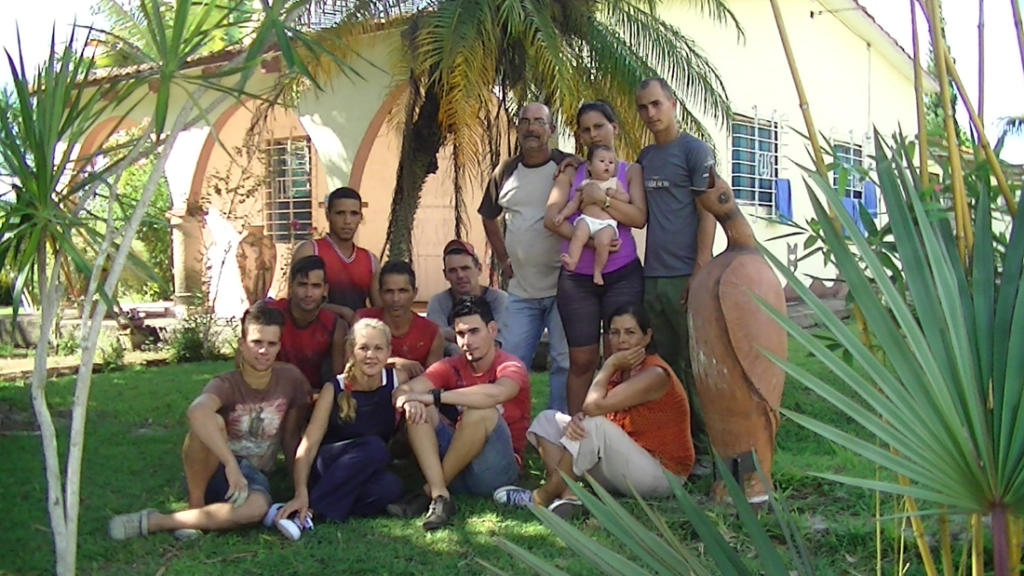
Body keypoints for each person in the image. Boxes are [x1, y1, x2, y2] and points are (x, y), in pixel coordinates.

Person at [107, 302, 310, 540]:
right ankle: (196, 505)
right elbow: (196, 412)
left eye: (271, 344)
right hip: (214, 469)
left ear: (279, 347)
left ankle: (157, 521)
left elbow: (292, 436)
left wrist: (297, 488)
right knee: (210, 420)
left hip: (253, 478)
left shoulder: (291, 379)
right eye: (257, 342)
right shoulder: (225, 383)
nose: (263, 350)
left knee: (256, 509)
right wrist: (230, 465)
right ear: (242, 345)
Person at [493, 304, 693, 517]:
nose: (621, 340)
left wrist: (608, 365)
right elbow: (593, 411)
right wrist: (579, 419)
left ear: (647, 337)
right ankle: (570, 498)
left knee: (593, 426)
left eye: (630, 332)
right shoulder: (620, 370)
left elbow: (593, 406)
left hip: (662, 476)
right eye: (615, 333)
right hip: (624, 465)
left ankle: (540, 498)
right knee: (547, 420)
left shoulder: (654, 374)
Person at [388, 296, 529, 530]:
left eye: (474, 332)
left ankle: (427, 492)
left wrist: (435, 396)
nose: (467, 341)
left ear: (492, 330)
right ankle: (440, 495)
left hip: (494, 472)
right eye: (461, 334)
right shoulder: (451, 365)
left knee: (481, 411)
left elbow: (496, 393)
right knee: (418, 408)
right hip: (457, 465)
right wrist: (408, 401)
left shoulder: (511, 365)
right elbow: (404, 390)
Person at [635, 77, 717, 471]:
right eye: (643, 107)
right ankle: (675, 448)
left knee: (693, 366)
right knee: (664, 367)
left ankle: (709, 451)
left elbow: (709, 212)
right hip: (653, 278)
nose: (651, 113)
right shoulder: (646, 158)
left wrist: (700, 268)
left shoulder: (695, 151)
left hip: (687, 275)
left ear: (672, 104)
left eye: (656, 104)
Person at [544, 100, 647, 415]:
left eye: (599, 126)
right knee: (582, 360)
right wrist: (590, 242)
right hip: (578, 280)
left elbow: (638, 217)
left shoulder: (630, 171)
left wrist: (599, 199)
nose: (593, 134)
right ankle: (577, 433)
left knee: (622, 353)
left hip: (623, 274)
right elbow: (551, 218)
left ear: (614, 128)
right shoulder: (572, 171)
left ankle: (622, 432)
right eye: (586, 130)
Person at [271, 318, 408, 539]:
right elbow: (309, 444)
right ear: (351, 350)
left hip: (365, 469)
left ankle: (304, 510)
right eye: (363, 348)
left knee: (390, 487)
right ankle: (307, 511)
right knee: (375, 447)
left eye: (378, 348)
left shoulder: (396, 380)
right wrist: (300, 491)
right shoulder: (334, 388)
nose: (370, 355)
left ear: (389, 351)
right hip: (330, 464)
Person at [479, 102, 571, 413]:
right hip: (520, 292)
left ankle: (556, 433)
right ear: (518, 129)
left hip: (564, 288)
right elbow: (489, 216)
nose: (532, 128)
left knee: (563, 363)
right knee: (511, 364)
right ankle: (510, 433)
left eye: (539, 122)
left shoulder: (568, 167)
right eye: (526, 122)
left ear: (551, 130)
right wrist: (503, 258)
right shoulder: (506, 172)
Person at [293, 186, 381, 325]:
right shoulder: (310, 251)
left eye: (354, 214)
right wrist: (341, 311)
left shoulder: (370, 260)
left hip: (356, 339)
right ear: (328, 215)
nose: (347, 221)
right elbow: (295, 302)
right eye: (340, 213)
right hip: (315, 337)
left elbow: (380, 310)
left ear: (360, 217)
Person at [267, 255, 348, 390]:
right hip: (269, 391)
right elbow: (246, 360)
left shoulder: (334, 326)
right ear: (291, 286)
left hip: (313, 396)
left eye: (315, 286)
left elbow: (338, 379)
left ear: (325, 290)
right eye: (302, 285)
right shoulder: (270, 314)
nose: (308, 293)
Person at [553, 145, 631, 285]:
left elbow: (626, 199)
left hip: (607, 224)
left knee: (603, 242)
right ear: (589, 165)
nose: (607, 165)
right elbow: (573, 204)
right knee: (578, 234)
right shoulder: (585, 183)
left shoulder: (614, 183)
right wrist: (562, 215)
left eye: (611, 162)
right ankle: (572, 260)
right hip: (587, 220)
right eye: (602, 161)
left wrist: (615, 195)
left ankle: (597, 271)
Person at [356, 260, 444, 377]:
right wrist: (395, 362)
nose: (396, 299)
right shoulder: (362, 321)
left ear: (415, 293)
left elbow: (433, 380)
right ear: (380, 293)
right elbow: (351, 364)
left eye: (403, 291)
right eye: (389, 291)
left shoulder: (431, 332)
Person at [426, 239, 508, 357]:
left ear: (479, 269)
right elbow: (436, 338)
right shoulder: (438, 302)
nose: (460, 275)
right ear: (445, 275)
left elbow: (498, 342)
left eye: (465, 268)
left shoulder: (498, 299)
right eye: (453, 271)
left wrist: (451, 335)